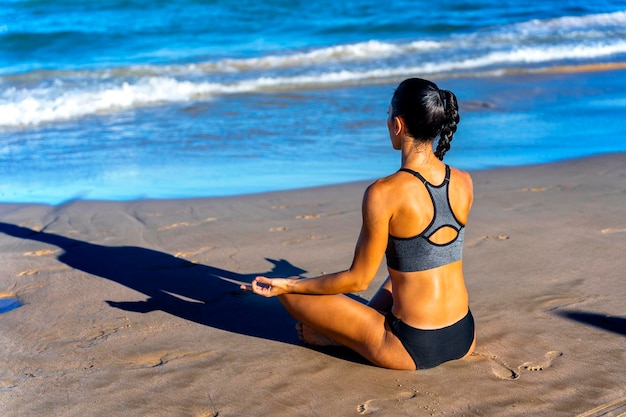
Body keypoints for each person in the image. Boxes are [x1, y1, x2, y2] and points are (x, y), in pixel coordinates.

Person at [241, 78, 475, 370]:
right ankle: (356, 329)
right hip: (464, 335)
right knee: (409, 269)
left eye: (388, 114)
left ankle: (344, 337)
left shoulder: (384, 192)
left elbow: (358, 280)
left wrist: (289, 281)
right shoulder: (463, 181)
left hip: (413, 347)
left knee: (291, 294)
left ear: (398, 125)